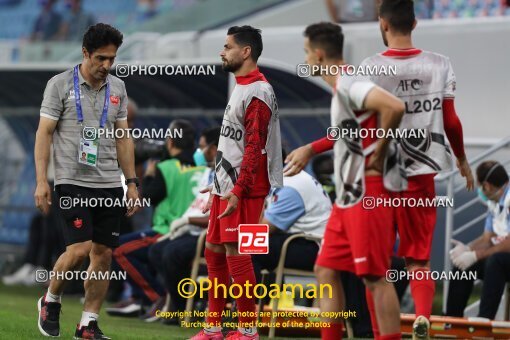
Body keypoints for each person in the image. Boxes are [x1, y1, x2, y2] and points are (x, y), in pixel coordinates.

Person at [358, 1, 473, 337]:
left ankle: (381, 332)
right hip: (422, 175)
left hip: (380, 178)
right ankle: (423, 316)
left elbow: (362, 127)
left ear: (382, 24)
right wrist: (463, 160)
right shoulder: (440, 64)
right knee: (418, 261)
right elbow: (450, 120)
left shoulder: (369, 67)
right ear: (415, 23)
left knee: (376, 268)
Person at [285, 22, 406, 340]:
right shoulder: (344, 84)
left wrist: (378, 155)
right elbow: (346, 132)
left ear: (319, 54)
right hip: (347, 198)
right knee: (324, 270)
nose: (306, 59)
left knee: (376, 278)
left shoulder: (349, 82)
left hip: (367, 193)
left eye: (306, 53)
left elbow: (394, 107)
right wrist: (311, 149)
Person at [34, 23, 139, 339]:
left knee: (103, 254)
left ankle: (88, 324)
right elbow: (44, 132)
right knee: (78, 250)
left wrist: (131, 183)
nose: (107, 66)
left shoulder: (118, 88)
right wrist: (42, 180)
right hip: (71, 180)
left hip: (109, 183)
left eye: (112, 59)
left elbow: (123, 138)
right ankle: (50, 299)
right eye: (101, 58)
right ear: (85, 53)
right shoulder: (59, 85)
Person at [191, 25, 283, 340]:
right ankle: (213, 327)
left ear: (245, 52)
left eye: (227, 46)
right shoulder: (241, 85)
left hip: (248, 191)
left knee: (239, 253)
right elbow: (234, 145)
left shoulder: (259, 90)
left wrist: (238, 191)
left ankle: (248, 330)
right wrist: (217, 182)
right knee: (214, 250)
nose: (222, 51)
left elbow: (256, 149)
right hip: (227, 186)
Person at [109, 119, 206, 317]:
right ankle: (138, 300)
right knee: (139, 252)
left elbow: (150, 197)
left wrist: (150, 175)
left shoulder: (166, 167)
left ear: (170, 142)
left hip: (167, 230)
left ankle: (156, 297)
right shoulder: (203, 168)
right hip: (194, 233)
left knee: (119, 250)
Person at [146, 127, 221, 324]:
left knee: (172, 253)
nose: (198, 151)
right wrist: (182, 224)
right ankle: (185, 303)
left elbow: (217, 214)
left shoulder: (225, 176)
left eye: (202, 147)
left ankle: (183, 309)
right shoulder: (208, 174)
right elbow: (197, 205)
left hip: (208, 232)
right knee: (156, 251)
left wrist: (186, 221)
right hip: (193, 230)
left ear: (213, 150)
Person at [446, 161, 510, 320]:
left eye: (480, 186)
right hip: (503, 259)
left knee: (495, 261)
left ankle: (484, 320)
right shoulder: (495, 203)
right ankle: (452, 321)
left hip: (503, 260)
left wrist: (476, 255)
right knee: (463, 264)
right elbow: (487, 238)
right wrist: (467, 249)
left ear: (486, 186)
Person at [252, 161, 331, 285]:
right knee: (250, 244)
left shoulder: (289, 185)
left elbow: (262, 229)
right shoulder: (289, 177)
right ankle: (257, 300)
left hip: (315, 247)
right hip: (304, 240)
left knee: (248, 246)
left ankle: (249, 302)